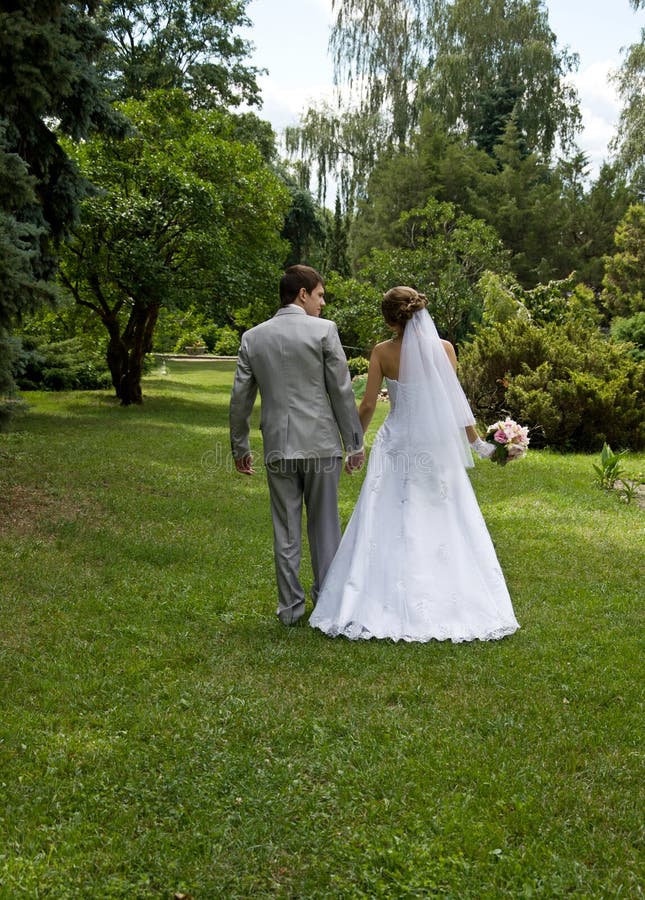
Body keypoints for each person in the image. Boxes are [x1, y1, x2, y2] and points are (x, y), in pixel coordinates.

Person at [309, 286, 520, 643]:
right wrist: (479, 444)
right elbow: (455, 403)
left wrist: (355, 445)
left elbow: (368, 406)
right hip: (435, 446)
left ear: (391, 320)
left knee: (387, 514)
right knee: (442, 513)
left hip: (398, 443)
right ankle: (449, 597)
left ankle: (377, 597)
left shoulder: (382, 352)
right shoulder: (445, 349)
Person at [229, 264, 365, 626]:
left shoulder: (253, 338)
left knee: (285, 528)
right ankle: (327, 602)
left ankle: (290, 609)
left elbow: (240, 397)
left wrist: (240, 447)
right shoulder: (324, 331)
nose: (323, 303)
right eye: (320, 295)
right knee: (324, 526)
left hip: (278, 445)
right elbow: (341, 391)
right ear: (302, 293)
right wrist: (354, 444)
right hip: (321, 446)